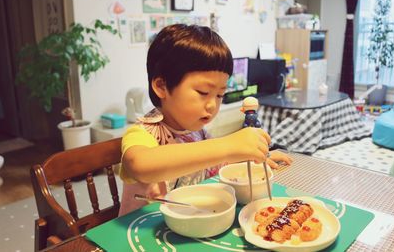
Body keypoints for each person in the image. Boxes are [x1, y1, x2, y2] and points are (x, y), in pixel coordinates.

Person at [119, 24, 292, 216]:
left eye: (219, 95)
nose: (212, 105)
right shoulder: (143, 133)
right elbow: (140, 165)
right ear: (162, 86)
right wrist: (227, 145)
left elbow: (215, 165)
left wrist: (250, 162)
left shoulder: (197, 132)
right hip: (142, 233)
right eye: (203, 92)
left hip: (188, 223)